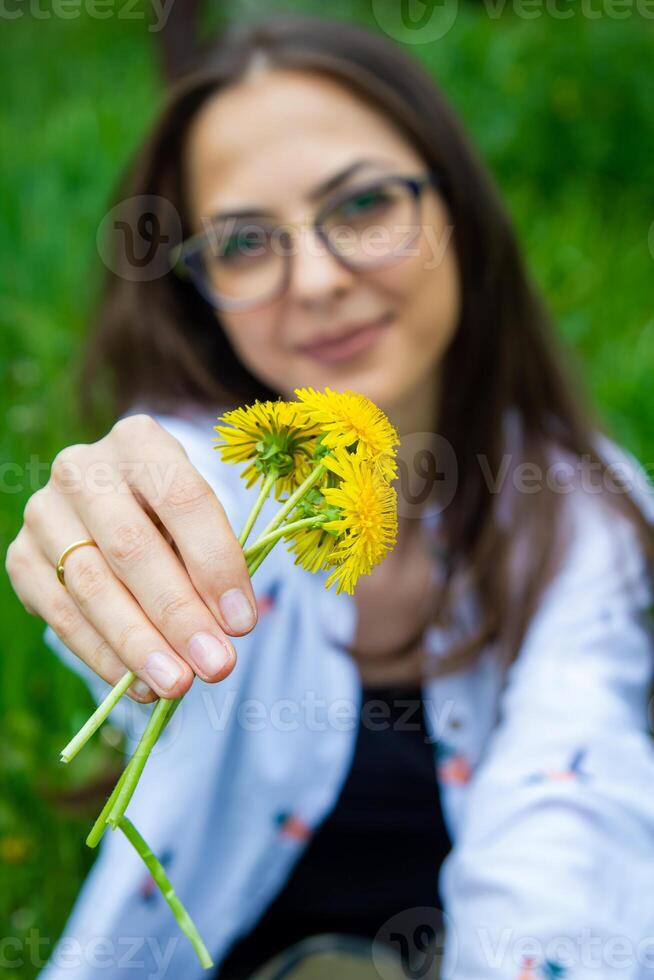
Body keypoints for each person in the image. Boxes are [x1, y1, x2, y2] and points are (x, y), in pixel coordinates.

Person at [6, 13, 654, 980]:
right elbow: (166, 493)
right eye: (246, 241)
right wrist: (101, 533)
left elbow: (569, 830)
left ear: (458, 216)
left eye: (359, 207)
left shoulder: (587, 520)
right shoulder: (216, 475)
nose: (313, 280)